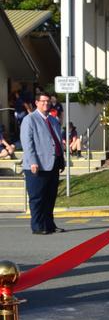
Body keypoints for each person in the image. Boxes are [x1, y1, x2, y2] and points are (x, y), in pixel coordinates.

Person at [20, 91, 66, 235]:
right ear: (37, 103)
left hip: (53, 164)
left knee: (50, 197)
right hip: (37, 166)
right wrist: (33, 162)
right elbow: (27, 143)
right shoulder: (30, 119)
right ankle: (38, 226)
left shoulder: (53, 120)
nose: (46, 104)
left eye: (48, 101)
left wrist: (61, 160)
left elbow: (57, 141)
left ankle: (49, 224)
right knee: (37, 197)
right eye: (43, 101)